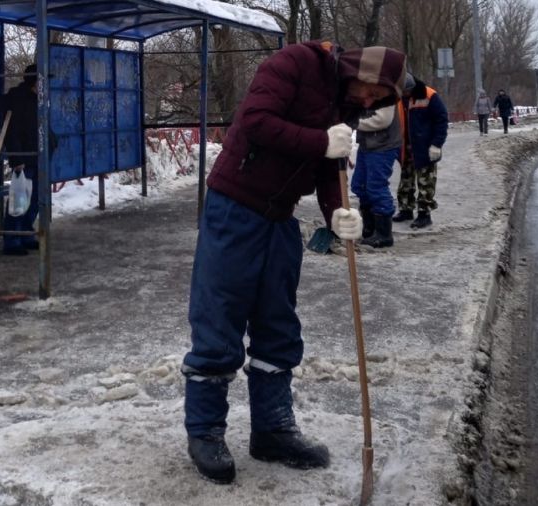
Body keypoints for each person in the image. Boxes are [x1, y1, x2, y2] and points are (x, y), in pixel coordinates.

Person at [182, 41, 407, 485]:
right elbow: (255, 122)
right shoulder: (294, 64)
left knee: (278, 325)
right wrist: (321, 140)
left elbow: (329, 167)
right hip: (234, 207)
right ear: (355, 68)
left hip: (280, 216)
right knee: (219, 318)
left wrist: (336, 212)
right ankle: (205, 430)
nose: (367, 102)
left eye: (378, 101)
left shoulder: (344, 101)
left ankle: (272, 430)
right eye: (369, 91)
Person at [392, 75, 449, 229]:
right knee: (406, 180)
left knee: (426, 182)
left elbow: (441, 120)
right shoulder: (398, 98)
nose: (404, 95)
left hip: (425, 148)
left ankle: (424, 214)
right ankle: (405, 209)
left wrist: (437, 144)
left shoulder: (429, 96)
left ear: (411, 89)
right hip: (405, 147)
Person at [0, 64, 42, 255]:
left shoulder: (38, 99)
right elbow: (12, 132)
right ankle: (12, 239)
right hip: (24, 158)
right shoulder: (18, 100)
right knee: (19, 199)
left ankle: (26, 234)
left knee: (34, 200)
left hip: (38, 156)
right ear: (34, 81)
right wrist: (17, 158)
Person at [350, 96, 402, 248]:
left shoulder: (386, 91)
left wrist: (353, 123)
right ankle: (369, 228)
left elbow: (381, 120)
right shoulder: (363, 88)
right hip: (368, 143)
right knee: (359, 185)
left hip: (383, 145)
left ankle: (384, 234)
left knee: (376, 186)